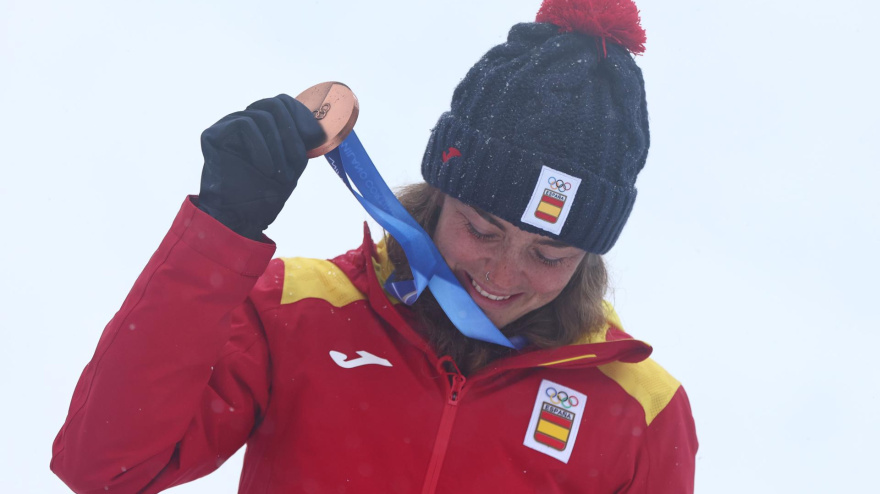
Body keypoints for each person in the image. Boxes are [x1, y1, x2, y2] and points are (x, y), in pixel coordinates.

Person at [51, 0, 698, 492]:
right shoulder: (298, 312)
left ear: (589, 258)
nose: (503, 273)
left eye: (549, 255)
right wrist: (222, 230)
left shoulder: (641, 408)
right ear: (438, 196)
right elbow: (104, 467)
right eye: (482, 229)